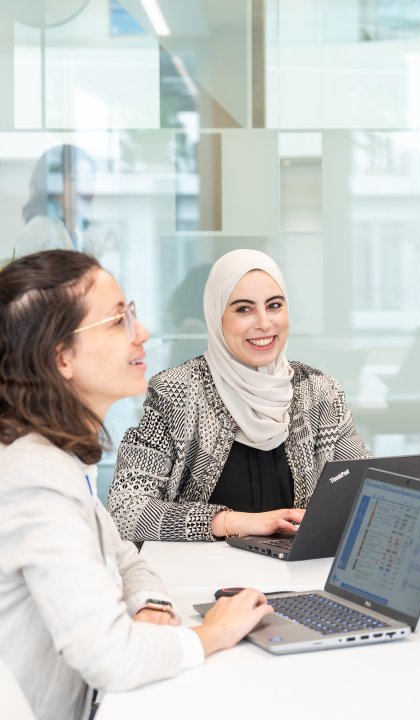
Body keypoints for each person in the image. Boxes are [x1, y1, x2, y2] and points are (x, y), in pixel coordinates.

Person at [0, 250, 275, 720]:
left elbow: (126, 557)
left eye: (132, 315)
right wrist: (211, 634)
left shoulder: (61, 460)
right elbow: (113, 658)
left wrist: (151, 606)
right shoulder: (34, 479)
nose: (142, 333)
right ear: (60, 356)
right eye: (116, 321)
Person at [109, 249, 370, 542]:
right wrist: (233, 522)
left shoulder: (320, 392)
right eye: (243, 309)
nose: (264, 323)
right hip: (202, 578)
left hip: (295, 575)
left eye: (274, 305)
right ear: (216, 316)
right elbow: (125, 511)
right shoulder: (175, 392)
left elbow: (365, 493)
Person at [15, 144, 98, 257]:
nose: (86, 190)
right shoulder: (40, 231)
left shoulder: (79, 232)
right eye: (75, 179)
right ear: (54, 184)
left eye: (88, 180)